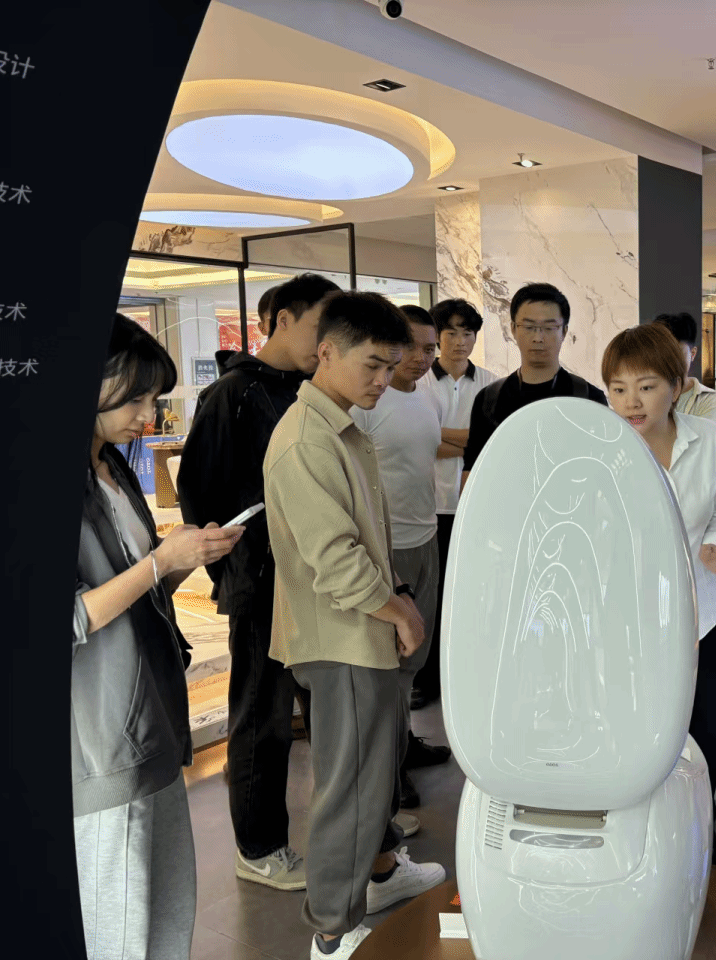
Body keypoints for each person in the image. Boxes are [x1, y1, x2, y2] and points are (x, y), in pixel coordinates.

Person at [264, 292, 445, 960]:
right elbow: (335, 557)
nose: (383, 379)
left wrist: (396, 600)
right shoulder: (304, 440)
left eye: (392, 366)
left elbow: (364, 536)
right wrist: (399, 607)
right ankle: (332, 932)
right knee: (351, 785)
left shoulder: (341, 424)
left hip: (362, 630)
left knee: (376, 768)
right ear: (326, 352)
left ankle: (382, 874)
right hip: (340, 639)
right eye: (373, 365)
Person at [74, 315, 245, 958]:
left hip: (155, 714)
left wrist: (185, 560)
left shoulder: (114, 467)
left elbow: (141, 592)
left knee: (167, 902)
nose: (149, 416)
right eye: (137, 398)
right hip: (102, 734)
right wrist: (159, 562)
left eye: (154, 399)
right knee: (118, 917)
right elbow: (71, 619)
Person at [178, 272, 339, 891]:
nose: (326, 343)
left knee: (327, 711)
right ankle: (259, 846)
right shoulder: (232, 394)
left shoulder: (309, 391)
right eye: (319, 327)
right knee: (262, 718)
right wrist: (233, 570)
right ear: (283, 320)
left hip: (315, 577)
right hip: (263, 584)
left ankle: (360, 829)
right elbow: (199, 492)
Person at [602, 323, 716, 873]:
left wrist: (715, 547)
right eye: (618, 389)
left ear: (677, 385)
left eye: (645, 387)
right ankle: (636, 846)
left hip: (703, 614)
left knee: (707, 736)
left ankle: (700, 840)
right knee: (637, 737)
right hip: (629, 624)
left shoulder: (707, 438)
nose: (631, 402)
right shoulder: (601, 449)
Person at [351, 304, 453, 812]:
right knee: (388, 664)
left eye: (430, 348)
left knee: (413, 660)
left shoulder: (427, 395)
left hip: (425, 538)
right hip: (386, 548)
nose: (420, 356)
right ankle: (388, 772)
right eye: (410, 346)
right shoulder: (370, 401)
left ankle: (405, 745)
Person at [412, 298, 496, 710]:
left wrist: (444, 434)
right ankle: (428, 678)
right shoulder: (419, 383)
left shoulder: (493, 384)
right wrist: (472, 438)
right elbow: (424, 442)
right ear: (438, 336)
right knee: (432, 596)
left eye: (468, 333)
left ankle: (469, 673)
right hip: (431, 506)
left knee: (473, 593)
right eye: (451, 332)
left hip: (477, 505)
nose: (460, 341)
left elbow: (496, 439)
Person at [462, 282, 607, 483]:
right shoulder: (489, 399)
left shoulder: (588, 397)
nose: (538, 337)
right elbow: (473, 470)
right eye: (529, 327)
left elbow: (602, 470)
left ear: (564, 331)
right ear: (513, 329)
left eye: (549, 327)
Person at [653, 312, 716, 426]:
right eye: (662, 353)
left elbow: (702, 436)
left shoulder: (709, 400)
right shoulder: (643, 395)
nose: (669, 360)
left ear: (692, 353)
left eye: (677, 353)